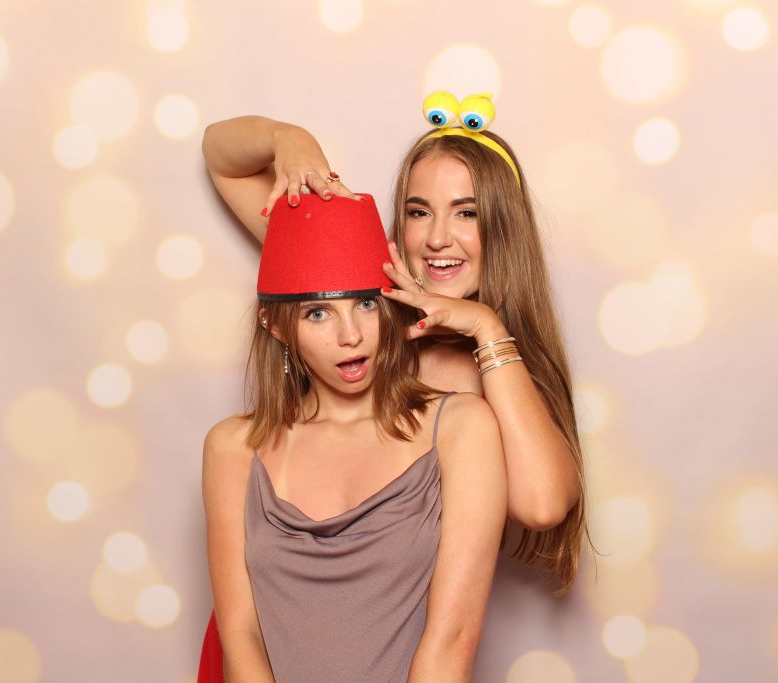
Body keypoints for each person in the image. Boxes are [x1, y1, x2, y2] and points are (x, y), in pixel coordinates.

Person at [198, 92, 588, 680]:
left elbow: (542, 504)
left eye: (466, 213)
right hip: (270, 624)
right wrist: (286, 138)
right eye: (417, 211)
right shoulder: (352, 270)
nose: (437, 239)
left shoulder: (492, 380)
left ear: (502, 230)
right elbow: (221, 157)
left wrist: (485, 329)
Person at [202, 192, 506, 682]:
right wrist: (291, 149)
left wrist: (487, 327)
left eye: (365, 304)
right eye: (317, 313)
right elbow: (241, 635)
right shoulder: (232, 448)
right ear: (275, 326)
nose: (351, 335)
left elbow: (453, 638)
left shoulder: (461, 427)